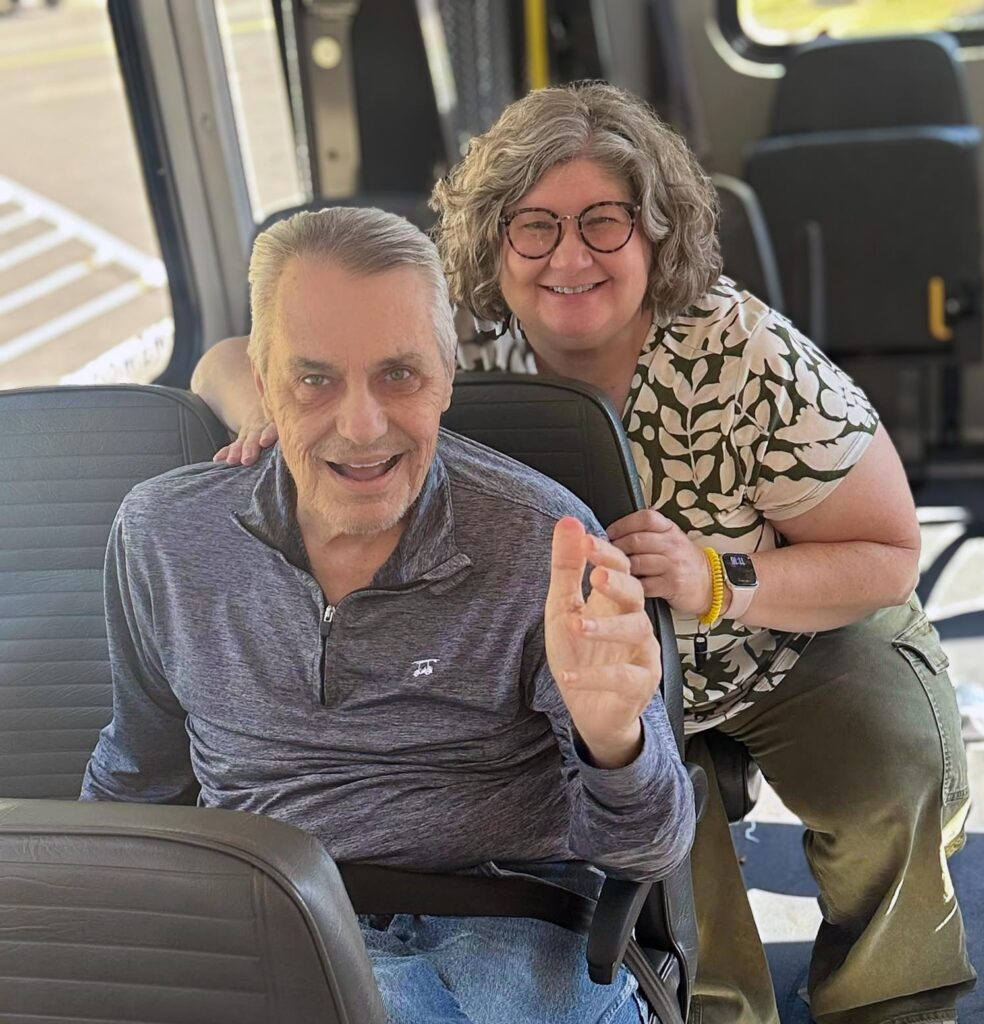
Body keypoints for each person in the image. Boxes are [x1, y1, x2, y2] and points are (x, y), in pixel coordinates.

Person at [193, 82, 976, 1024]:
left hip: (791, 638)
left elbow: (889, 551)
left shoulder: (745, 356)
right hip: (589, 671)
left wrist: (718, 580)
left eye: (605, 223)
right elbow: (228, 356)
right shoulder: (458, 330)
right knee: (659, 852)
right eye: (535, 226)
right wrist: (269, 410)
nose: (569, 256)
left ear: (656, 233)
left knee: (891, 781)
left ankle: (892, 1001)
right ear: (494, 242)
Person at [81, 205, 697, 1024]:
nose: (361, 427)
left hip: (505, 930)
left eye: (399, 375)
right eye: (315, 379)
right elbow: (139, 775)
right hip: (273, 921)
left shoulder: (542, 543)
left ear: (446, 375)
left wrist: (614, 741)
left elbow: (646, 852)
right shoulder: (163, 534)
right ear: (262, 385)